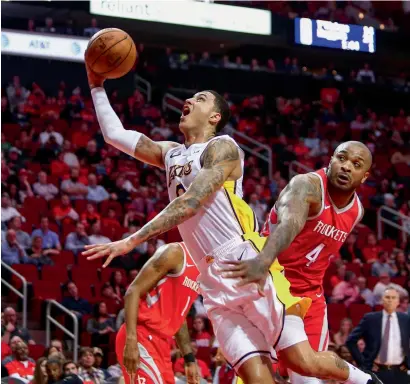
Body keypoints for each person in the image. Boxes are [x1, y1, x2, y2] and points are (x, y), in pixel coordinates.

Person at [84, 66, 310, 383]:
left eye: (200, 98)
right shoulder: (170, 153)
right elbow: (114, 135)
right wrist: (96, 86)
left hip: (241, 255)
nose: (189, 100)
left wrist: (130, 241)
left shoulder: (222, 146)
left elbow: (190, 202)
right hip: (212, 271)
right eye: (190, 97)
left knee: (300, 360)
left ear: (215, 117)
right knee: (261, 372)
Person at [222, 141, 383, 383]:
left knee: (309, 377)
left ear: (365, 176)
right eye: (341, 158)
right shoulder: (306, 186)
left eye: (356, 164)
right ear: (330, 160)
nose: (347, 167)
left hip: (310, 296)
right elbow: (290, 224)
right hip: (273, 285)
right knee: (260, 376)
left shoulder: (357, 210)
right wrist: (263, 261)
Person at [115, 242, 200, 384]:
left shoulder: (204, 267)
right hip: (141, 335)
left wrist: (189, 359)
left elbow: (179, 315)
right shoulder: (176, 252)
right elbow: (132, 292)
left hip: (162, 343)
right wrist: (131, 341)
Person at [346, 288, 410, 384]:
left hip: (401, 372)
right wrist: (363, 363)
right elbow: (350, 341)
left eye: (393, 298)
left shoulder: (405, 319)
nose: (390, 300)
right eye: (387, 297)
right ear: (382, 300)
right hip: (376, 371)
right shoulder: (370, 319)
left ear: (398, 302)